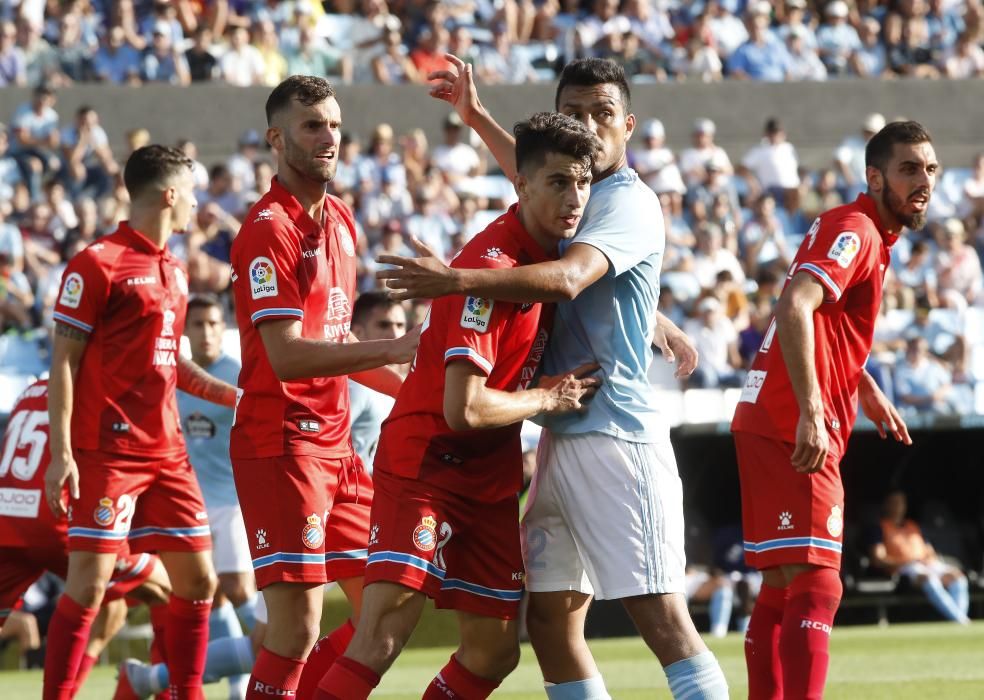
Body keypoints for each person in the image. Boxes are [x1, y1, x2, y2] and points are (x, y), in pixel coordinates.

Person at [376, 56, 727, 700]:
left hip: (617, 438)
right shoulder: (576, 188)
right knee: (550, 624)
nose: (588, 127)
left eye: (602, 115)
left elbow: (568, 279)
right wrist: (476, 115)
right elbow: (533, 174)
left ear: (628, 124)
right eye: (575, 114)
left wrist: (454, 280)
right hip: (560, 435)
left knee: (662, 620)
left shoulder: (627, 201)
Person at [320, 111, 603, 700]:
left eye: (582, 181)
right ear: (522, 185)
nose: (575, 197)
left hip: (489, 476)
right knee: (383, 633)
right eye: (558, 183)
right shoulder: (490, 271)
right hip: (429, 464)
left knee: (493, 651)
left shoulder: (552, 255)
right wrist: (547, 397)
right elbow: (464, 410)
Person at [228, 75, 419, 699]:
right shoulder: (268, 230)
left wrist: (415, 391)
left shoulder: (339, 217)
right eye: (313, 125)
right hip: (281, 443)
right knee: (295, 628)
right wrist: (394, 345)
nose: (329, 136)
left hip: (338, 450)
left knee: (388, 609)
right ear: (276, 138)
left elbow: (336, 349)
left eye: (335, 124)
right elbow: (285, 358)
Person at [731, 121, 937, 699]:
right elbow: (796, 303)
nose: (924, 181)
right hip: (787, 417)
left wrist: (861, 382)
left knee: (781, 584)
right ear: (874, 177)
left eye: (929, 170)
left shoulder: (857, 228)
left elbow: (821, 319)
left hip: (764, 412)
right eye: (909, 169)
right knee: (821, 584)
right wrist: (813, 408)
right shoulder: (858, 230)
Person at [42, 145, 239, 700]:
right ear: (170, 195)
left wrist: (236, 397)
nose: (198, 204)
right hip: (109, 454)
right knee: (90, 585)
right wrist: (63, 453)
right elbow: (64, 362)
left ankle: (187, 692)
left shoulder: (175, 270)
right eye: (193, 193)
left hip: (169, 455)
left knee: (199, 582)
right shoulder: (96, 263)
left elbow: (172, 362)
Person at [0, 378, 172, 696]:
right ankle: (163, 689)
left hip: (7, 519)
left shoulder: (29, 390)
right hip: (56, 522)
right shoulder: (97, 390)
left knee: (113, 606)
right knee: (170, 589)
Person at [176, 292, 258, 699]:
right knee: (210, 596)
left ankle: (278, 647)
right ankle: (238, 688)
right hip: (188, 506)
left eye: (212, 324)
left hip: (231, 503)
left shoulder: (237, 376)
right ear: (184, 330)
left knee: (239, 588)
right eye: (197, 324)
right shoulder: (175, 378)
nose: (206, 332)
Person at [870, 490, 969, 624]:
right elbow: (879, 559)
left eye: (901, 502)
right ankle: (961, 621)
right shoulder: (880, 527)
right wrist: (906, 561)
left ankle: (959, 618)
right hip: (905, 569)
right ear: (886, 505)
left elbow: (930, 551)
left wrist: (928, 560)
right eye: (894, 502)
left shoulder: (914, 526)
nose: (898, 506)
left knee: (958, 577)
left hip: (927, 564)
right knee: (929, 578)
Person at [348, 291, 409, 469]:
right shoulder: (356, 387)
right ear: (357, 332)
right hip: (349, 492)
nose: (395, 334)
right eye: (384, 325)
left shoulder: (401, 384)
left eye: (400, 325)